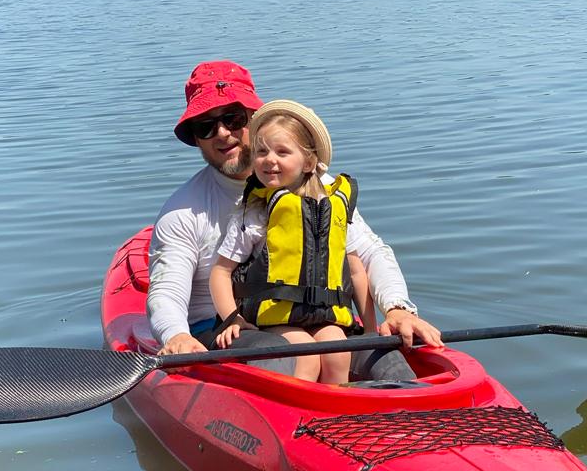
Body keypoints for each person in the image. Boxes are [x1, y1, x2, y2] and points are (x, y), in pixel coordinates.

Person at [147, 60, 441, 379]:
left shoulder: (323, 191)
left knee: (388, 363)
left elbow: (369, 255)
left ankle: (405, 418)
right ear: (196, 138)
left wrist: (397, 309)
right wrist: (176, 334)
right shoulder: (182, 211)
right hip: (226, 329)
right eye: (205, 126)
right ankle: (297, 422)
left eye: (232, 119)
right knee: (280, 357)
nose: (222, 134)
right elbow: (166, 289)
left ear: (255, 120)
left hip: (316, 319)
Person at [209, 100, 377, 383]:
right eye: (261, 151)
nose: (269, 159)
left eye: (282, 152)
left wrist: (372, 330)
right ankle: (299, 418)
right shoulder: (255, 212)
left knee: (338, 348)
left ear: (309, 162)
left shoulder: (332, 208)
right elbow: (221, 272)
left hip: (324, 315)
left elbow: (357, 271)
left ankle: (338, 415)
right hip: (274, 318)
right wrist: (233, 319)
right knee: (306, 353)